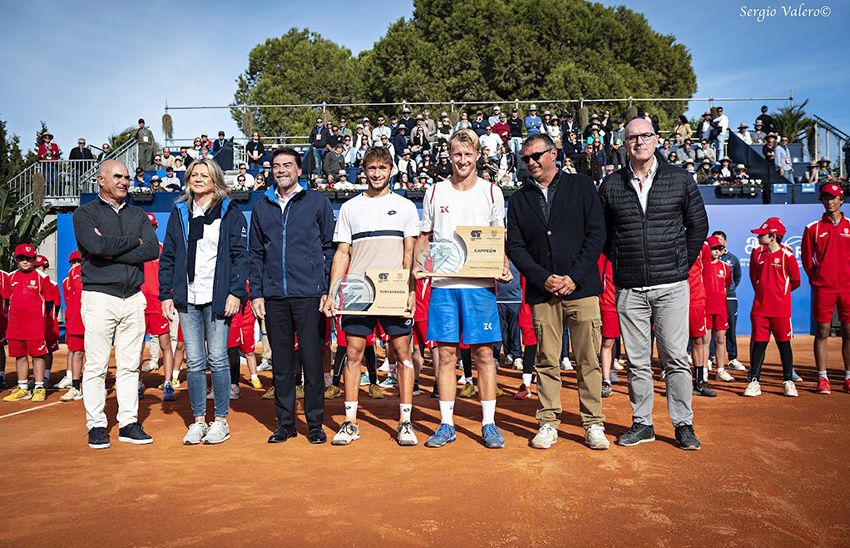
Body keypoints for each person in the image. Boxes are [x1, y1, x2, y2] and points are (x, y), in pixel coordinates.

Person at [597, 118, 708, 451]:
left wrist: (678, 265)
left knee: (675, 357)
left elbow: (698, 227)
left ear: (657, 140)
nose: (639, 142)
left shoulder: (681, 180)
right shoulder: (611, 185)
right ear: (624, 144)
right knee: (637, 360)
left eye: (645, 135)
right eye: (632, 137)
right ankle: (642, 423)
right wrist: (623, 264)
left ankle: (683, 424)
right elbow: (604, 236)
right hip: (630, 287)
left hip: (672, 285)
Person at [506, 133, 608, 450]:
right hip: (542, 293)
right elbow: (516, 247)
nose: (531, 163)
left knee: (587, 360)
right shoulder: (520, 199)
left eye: (537, 156)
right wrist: (543, 278)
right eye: (526, 159)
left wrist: (573, 277)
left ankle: (593, 424)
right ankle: (548, 422)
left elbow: (597, 234)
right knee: (547, 361)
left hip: (582, 289)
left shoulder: (582, 186)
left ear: (553, 154)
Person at [412, 129, 511, 449]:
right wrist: (419, 264)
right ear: (449, 156)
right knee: (444, 356)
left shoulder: (492, 192)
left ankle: (489, 423)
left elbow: (499, 238)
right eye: (457, 154)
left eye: (468, 155)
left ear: (478, 156)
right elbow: (425, 237)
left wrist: (504, 263)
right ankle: (446, 424)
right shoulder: (435, 192)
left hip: (480, 287)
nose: (463, 160)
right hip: (443, 285)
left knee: (484, 355)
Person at [323, 146, 420, 446]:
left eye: (382, 168)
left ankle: (405, 422)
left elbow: (409, 253)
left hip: (393, 292)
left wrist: (411, 291)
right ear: (363, 170)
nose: (377, 174)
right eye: (371, 168)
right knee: (352, 355)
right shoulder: (351, 208)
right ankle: (350, 422)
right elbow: (342, 253)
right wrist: (332, 293)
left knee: (402, 355)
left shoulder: (404, 207)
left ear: (391, 170)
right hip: (358, 292)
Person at [158, 158, 249, 444]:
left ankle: (220, 420)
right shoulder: (179, 212)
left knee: (218, 358)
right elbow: (169, 255)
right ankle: (198, 420)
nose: (198, 179)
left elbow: (239, 255)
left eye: (204, 175)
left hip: (219, 296)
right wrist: (165, 293)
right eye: (193, 175)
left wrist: (235, 291)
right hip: (188, 298)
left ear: (215, 180)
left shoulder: (230, 211)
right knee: (195, 361)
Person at [72, 160, 160, 449]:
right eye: (118, 176)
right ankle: (96, 424)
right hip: (99, 297)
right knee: (97, 365)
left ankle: (128, 422)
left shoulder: (138, 214)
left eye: (127, 177)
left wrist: (113, 248)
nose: (124, 181)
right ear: (100, 179)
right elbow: (95, 248)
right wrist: (130, 243)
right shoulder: (84, 214)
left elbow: (149, 249)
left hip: (133, 298)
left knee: (130, 366)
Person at [249, 148, 335, 445]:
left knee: (312, 362)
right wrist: (257, 293)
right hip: (274, 296)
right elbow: (256, 253)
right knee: (282, 365)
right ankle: (285, 424)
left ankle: (314, 424)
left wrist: (326, 289)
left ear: (299, 170)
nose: (281, 170)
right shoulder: (261, 206)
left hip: (310, 295)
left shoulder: (317, 202)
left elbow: (329, 248)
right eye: (276, 165)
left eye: (287, 165)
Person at [801, 183, 850, 394]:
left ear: (841, 200)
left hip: (848, 287)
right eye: (826, 198)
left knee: (849, 332)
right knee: (822, 332)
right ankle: (822, 378)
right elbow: (806, 258)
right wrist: (816, 278)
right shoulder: (813, 228)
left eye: (834, 198)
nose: (830, 201)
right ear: (821, 200)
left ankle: (848, 376)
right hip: (824, 288)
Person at [744, 217, 801, 398]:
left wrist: (779, 294)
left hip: (781, 310)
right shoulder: (756, 254)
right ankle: (754, 381)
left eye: (763, 234)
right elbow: (754, 278)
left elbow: (796, 281)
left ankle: (788, 381)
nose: (759, 237)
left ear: (773, 236)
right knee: (759, 345)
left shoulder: (788, 255)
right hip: (760, 309)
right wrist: (764, 292)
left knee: (784, 345)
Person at [1, 244, 50, 403]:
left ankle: (39, 387)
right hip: (16, 325)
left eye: (28, 258)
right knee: (20, 356)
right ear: (16, 260)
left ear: (34, 259)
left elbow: (48, 302)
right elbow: (8, 300)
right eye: (21, 258)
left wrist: (40, 320)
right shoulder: (11, 277)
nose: (25, 261)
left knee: (37, 356)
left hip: (35, 326)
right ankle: (23, 388)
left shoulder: (42, 277)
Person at [139, 213, 176, 402]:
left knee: (165, 345)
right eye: (147, 227)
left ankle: (168, 383)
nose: (150, 230)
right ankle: (137, 382)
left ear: (156, 228)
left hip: (159, 304)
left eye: (152, 227)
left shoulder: (164, 250)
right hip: (139, 305)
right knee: (137, 346)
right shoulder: (136, 251)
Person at [709, 231, 745, 372]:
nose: (718, 244)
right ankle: (709, 358)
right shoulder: (705, 260)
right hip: (712, 301)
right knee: (710, 332)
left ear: (725, 242)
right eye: (715, 241)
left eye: (720, 241)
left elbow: (736, 278)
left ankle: (732, 358)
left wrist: (728, 290)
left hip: (729, 298)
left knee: (729, 329)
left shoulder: (732, 259)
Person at [703, 236, 734, 384]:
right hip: (705, 308)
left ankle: (720, 370)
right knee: (705, 339)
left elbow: (727, 287)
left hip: (720, 308)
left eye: (719, 248)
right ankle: (702, 370)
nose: (716, 251)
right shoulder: (702, 265)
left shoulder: (725, 267)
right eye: (713, 248)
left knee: (720, 339)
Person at [58, 251, 85, 401]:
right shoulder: (70, 276)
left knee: (96, 355)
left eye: (78, 261)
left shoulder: (93, 270)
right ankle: (75, 386)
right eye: (74, 262)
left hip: (92, 319)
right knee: (76, 352)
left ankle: (95, 387)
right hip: (76, 320)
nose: (76, 264)